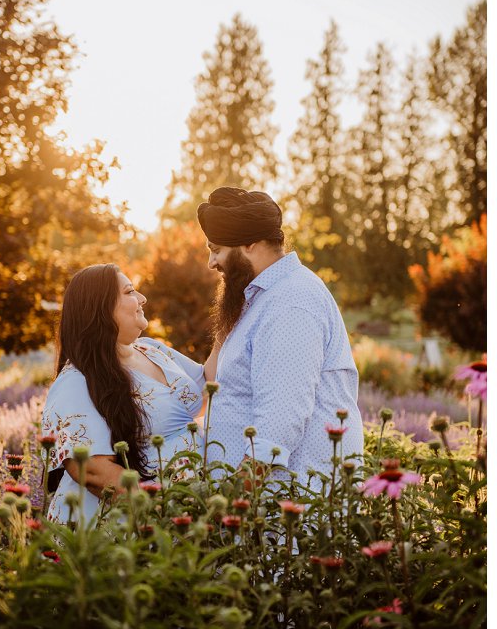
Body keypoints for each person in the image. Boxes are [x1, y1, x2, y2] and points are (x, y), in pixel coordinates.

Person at [197, 186, 363, 480]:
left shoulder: (291, 301)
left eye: (216, 250)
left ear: (249, 244)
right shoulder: (260, 298)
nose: (211, 263)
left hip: (288, 506)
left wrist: (234, 498)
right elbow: (218, 379)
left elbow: (280, 421)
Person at [41, 264, 217, 525]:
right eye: (130, 291)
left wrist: (229, 319)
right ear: (101, 308)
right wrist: (160, 516)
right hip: (126, 528)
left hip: (185, 518)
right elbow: (92, 471)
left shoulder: (151, 349)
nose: (142, 298)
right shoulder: (76, 380)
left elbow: (207, 387)